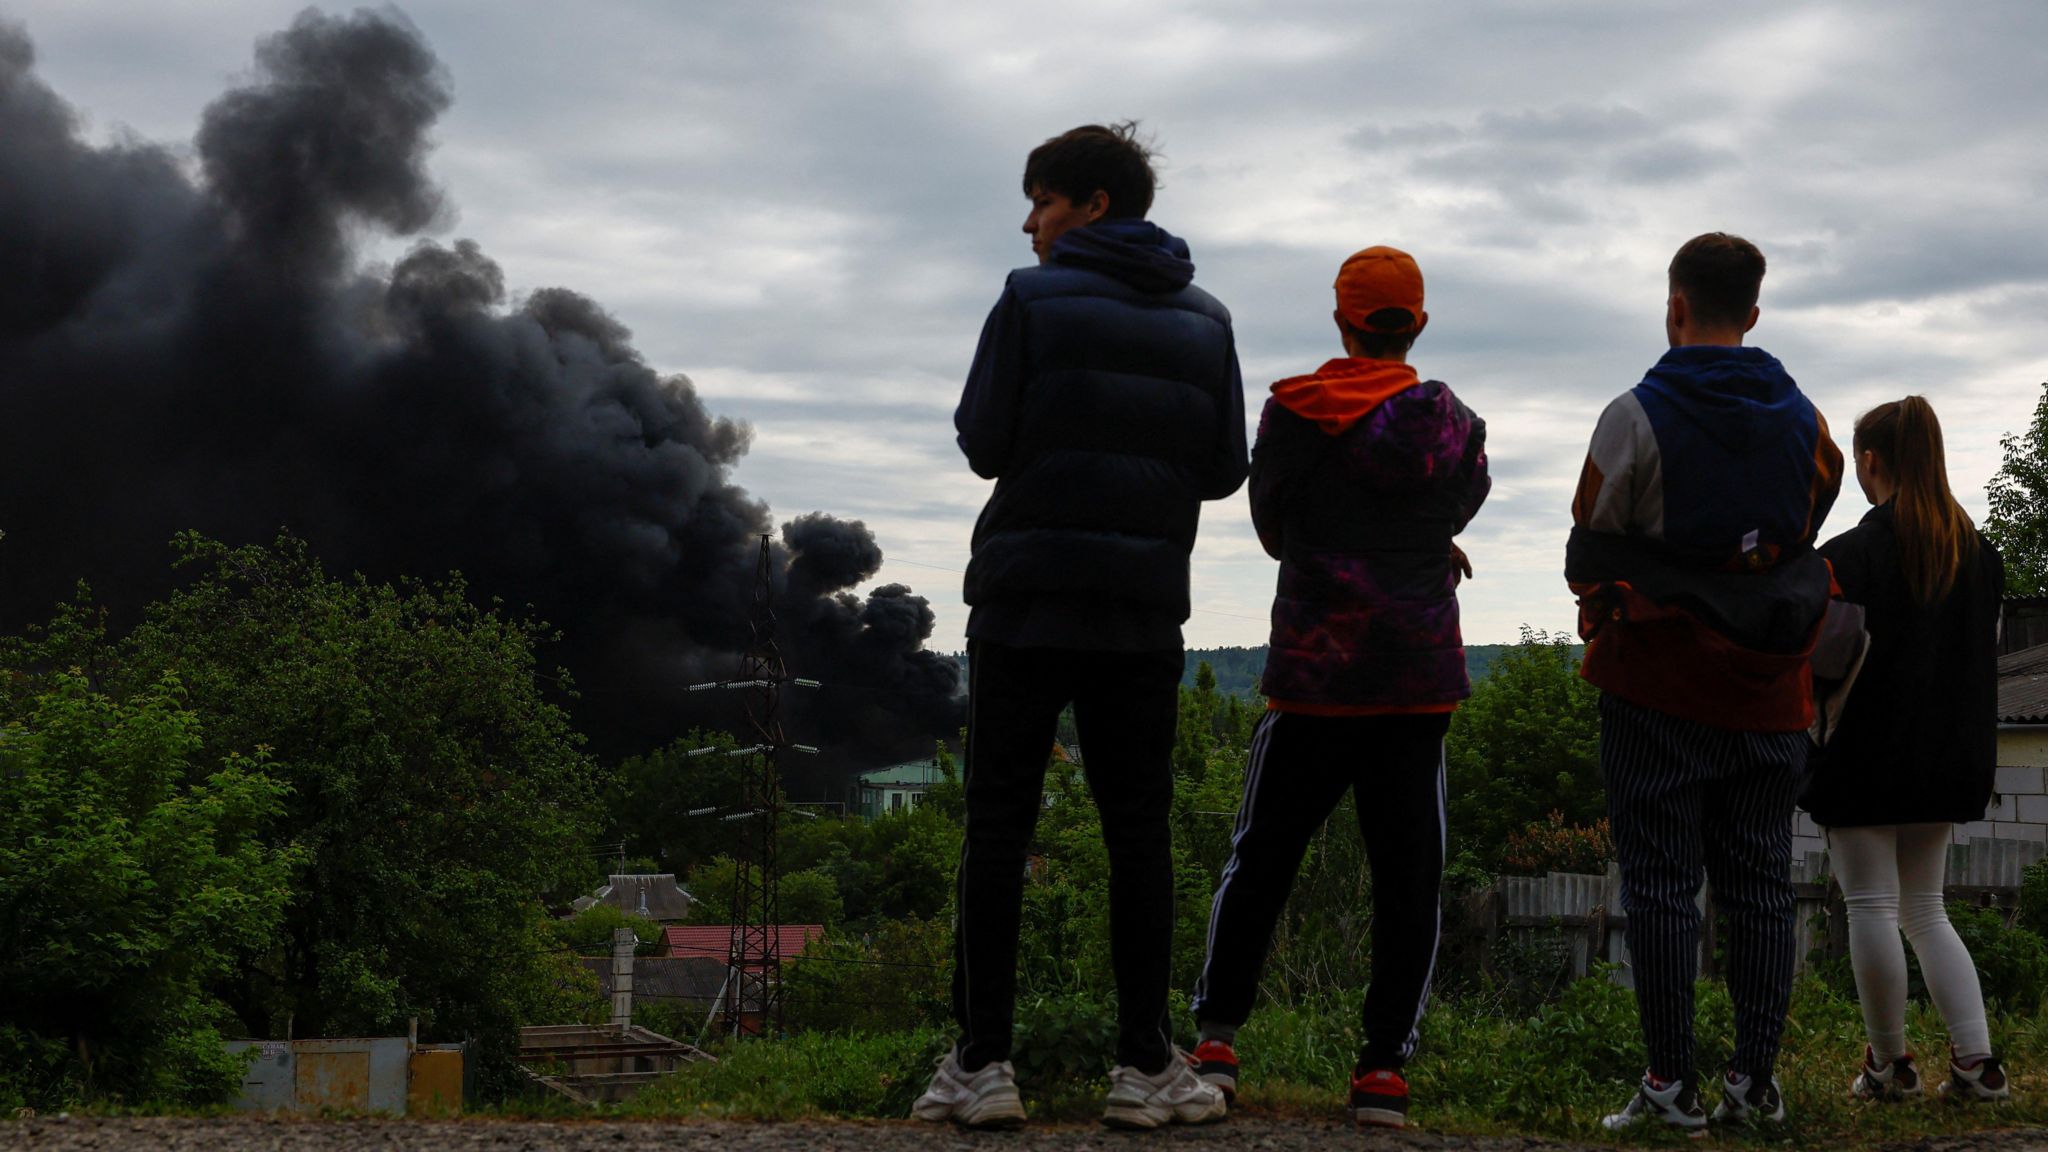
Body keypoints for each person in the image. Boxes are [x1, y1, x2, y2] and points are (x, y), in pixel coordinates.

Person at [914, 122, 1247, 1130]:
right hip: (1141, 607)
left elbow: (981, 442)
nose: (1029, 224)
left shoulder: (1028, 300)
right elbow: (1225, 468)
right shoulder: (1205, 318)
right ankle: (1144, 1063)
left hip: (1023, 600)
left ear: (1093, 204)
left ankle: (983, 1064)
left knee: (998, 825)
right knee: (1137, 831)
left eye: (1043, 201)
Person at [1189, 246, 1489, 1130]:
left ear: (1341, 320)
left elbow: (1274, 525)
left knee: (1261, 858)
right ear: (1418, 325)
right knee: (1411, 877)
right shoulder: (1452, 422)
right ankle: (1382, 1072)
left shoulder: (1291, 411)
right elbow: (1454, 508)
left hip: (1314, 678)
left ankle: (1216, 1043)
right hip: (1414, 679)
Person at [1566, 232, 1842, 1130]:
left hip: (1658, 687)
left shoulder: (1632, 415)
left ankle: (1669, 1086)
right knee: (1762, 883)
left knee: (1659, 885)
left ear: (1674, 306)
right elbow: (1809, 515)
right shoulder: (1808, 421)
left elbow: (1590, 538)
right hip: (1770, 691)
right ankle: (1754, 1085)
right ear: (1754, 312)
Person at [1801, 397, 2009, 1103]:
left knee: (1868, 906)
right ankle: (1978, 1062)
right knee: (1926, 910)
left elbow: (1824, 666)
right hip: (1948, 762)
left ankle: (1890, 1067)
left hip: (1863, 758)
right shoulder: (1978, 555)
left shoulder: (1850, 558)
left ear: (1870, 462)